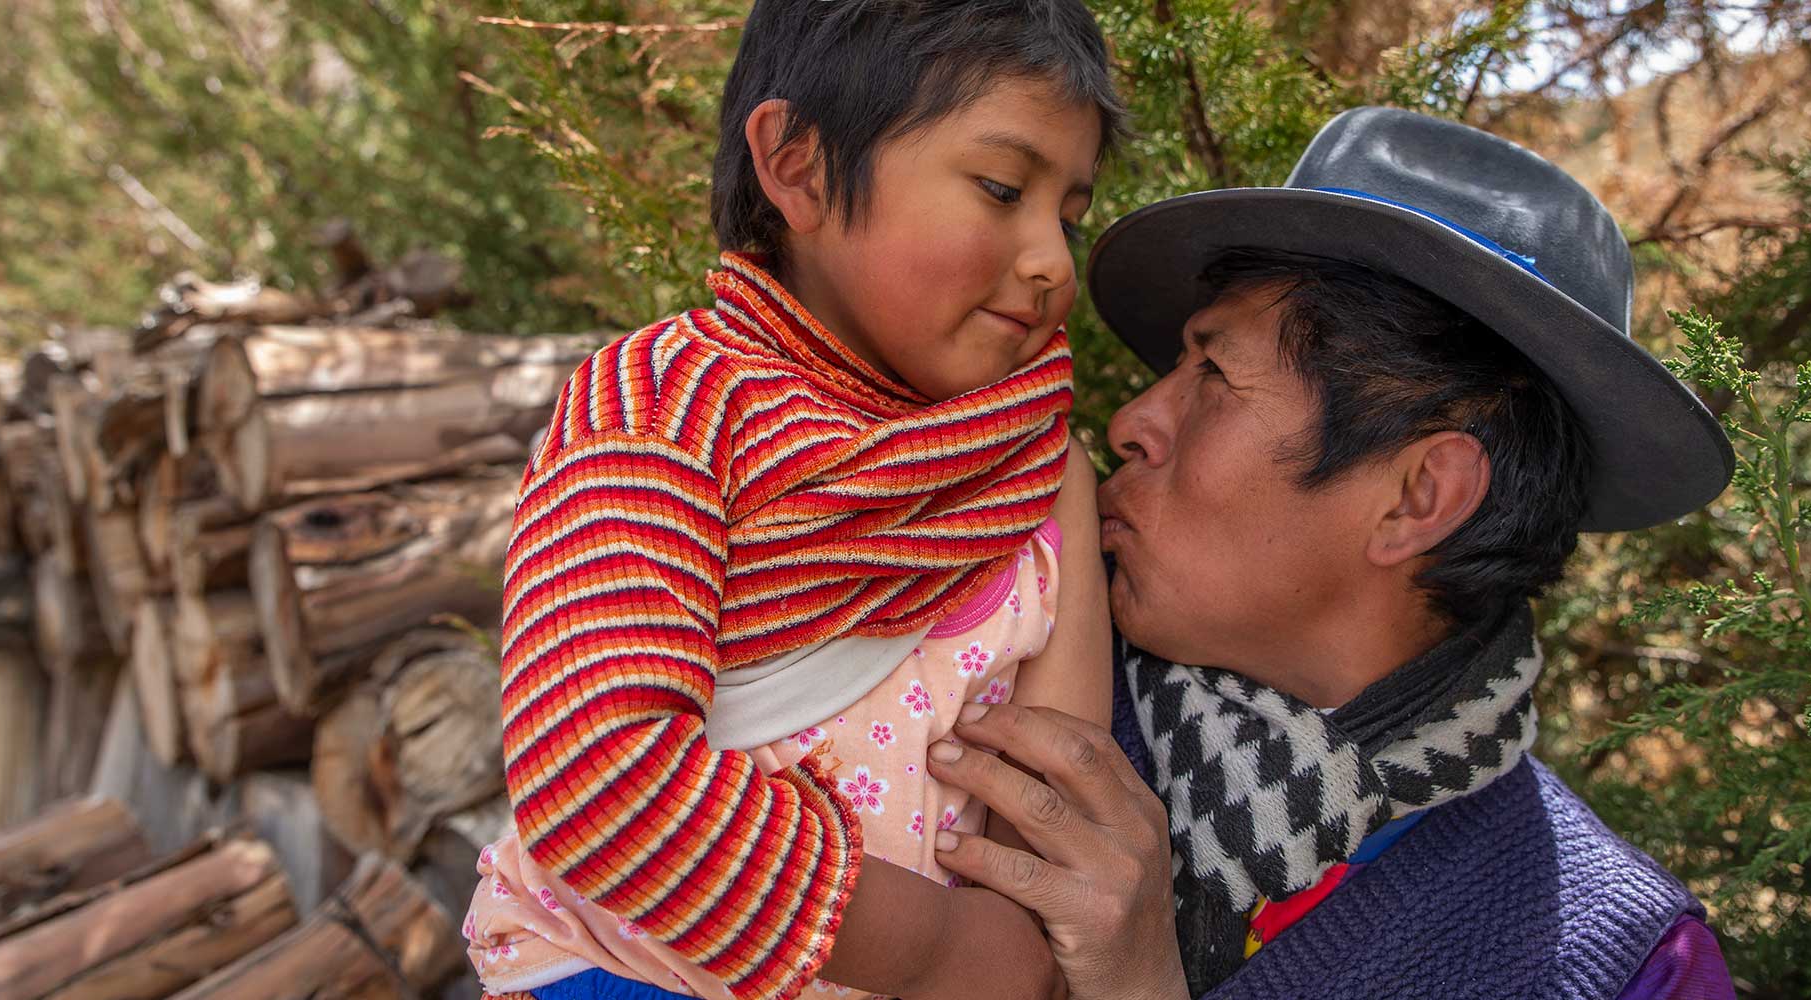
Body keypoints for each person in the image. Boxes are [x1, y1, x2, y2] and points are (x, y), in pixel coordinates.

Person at [925, 107, 1742, 999]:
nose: (1131, 424)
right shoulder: (977, 669)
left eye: (1216, 375)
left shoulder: (1626, 968)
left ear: (1419, 497)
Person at [461, 3, 1123, 999]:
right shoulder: (664, 406)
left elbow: (1061, 790)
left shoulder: (1034, 465)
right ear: (799, 165)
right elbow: (599, 775)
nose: (1050, 262)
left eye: (1068, 217)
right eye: (999, 188)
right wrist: (940, 947)